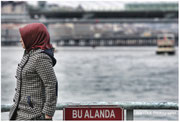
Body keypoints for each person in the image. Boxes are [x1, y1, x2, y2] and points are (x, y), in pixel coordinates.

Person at [9, 23, 58, 120]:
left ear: (32, 37)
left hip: (33, 116)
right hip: (20, 112)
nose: (20, 40)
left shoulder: (40, 57)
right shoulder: (29, 54)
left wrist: (48, 113)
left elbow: (52, 84)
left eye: (23, 37)